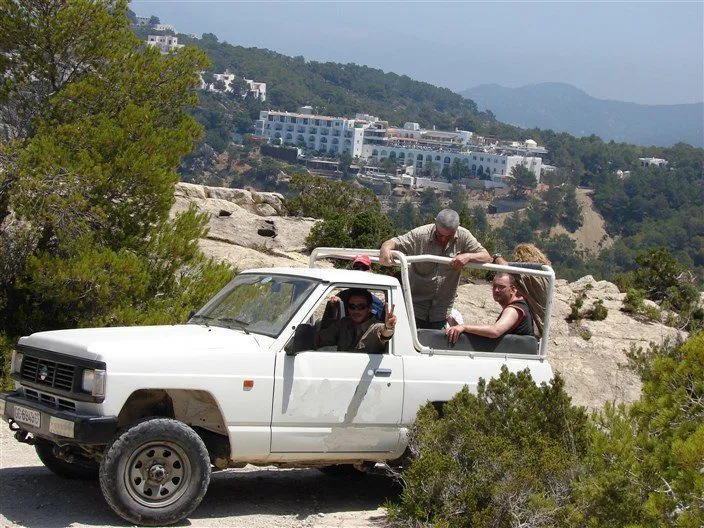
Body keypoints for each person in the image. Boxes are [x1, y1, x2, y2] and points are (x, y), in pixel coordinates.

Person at [379, 209, 491, 329]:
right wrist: (385, 247)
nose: (443, 239)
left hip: (442, 311)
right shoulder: (420, 235)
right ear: (435, 223)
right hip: (415, 307)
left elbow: (486, 256)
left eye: (449, 236)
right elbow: (395, 242)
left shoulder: (463, 235)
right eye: (440, 235)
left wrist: (468, 256)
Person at [446, 272, 533, 343]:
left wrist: (464, 327)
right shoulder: (517, 306)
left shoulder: (513, 309)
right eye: (494, 286)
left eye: (501, 287)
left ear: (513, 290)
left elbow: (495, 331)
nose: (496, 290)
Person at [494, 243, 550, 338]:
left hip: (531, 326)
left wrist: (496, 257)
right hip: (539, 326)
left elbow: (505, 267)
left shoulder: (529, 277)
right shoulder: (546, 277)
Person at [316, 288, 396, 353]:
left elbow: (385, 334)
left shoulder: (375, 328)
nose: (356, 311)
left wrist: (388, 327)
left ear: (369, 308)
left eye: (361, 307)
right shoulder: (344, 323)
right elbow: (321, 338)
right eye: (352, 306)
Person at [324, 255, 384, 322]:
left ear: (370, 271)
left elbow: (381, 327)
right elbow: (329, 321)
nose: (360, 271)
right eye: (356, 268)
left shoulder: (377, 304)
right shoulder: (341, 296)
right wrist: (333, 304)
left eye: (364, 268)